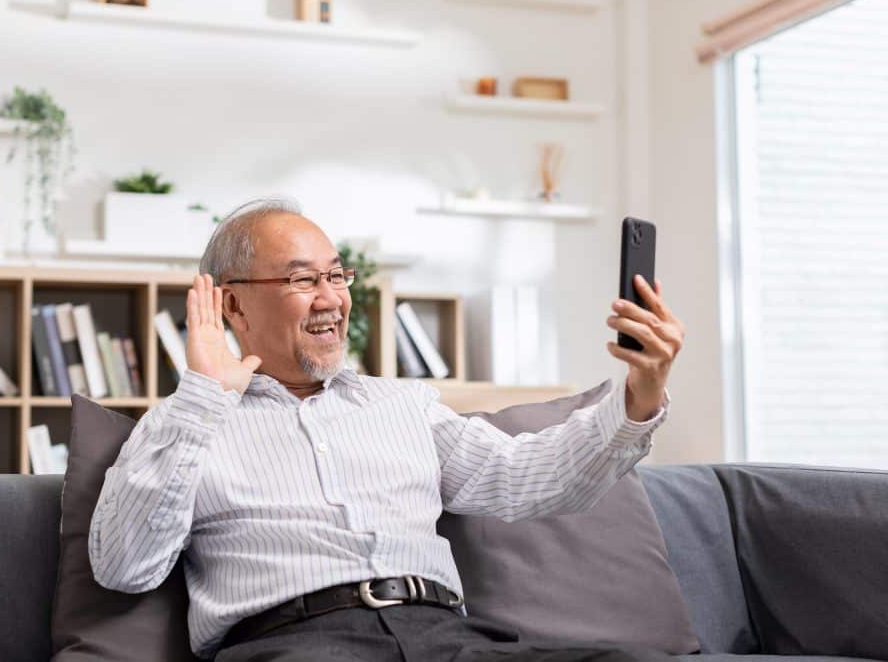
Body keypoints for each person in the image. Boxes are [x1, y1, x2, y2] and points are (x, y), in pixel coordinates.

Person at [89, 197, 686, 661]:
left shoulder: (404, 405)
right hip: (295, 646)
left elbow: (526, 478)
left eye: (336, 275)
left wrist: (641, 393)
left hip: (448, 638)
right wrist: (204, 401)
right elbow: (125, 566)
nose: (332, 299)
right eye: (302, 281)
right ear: (233, 308)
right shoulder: (184, 424)